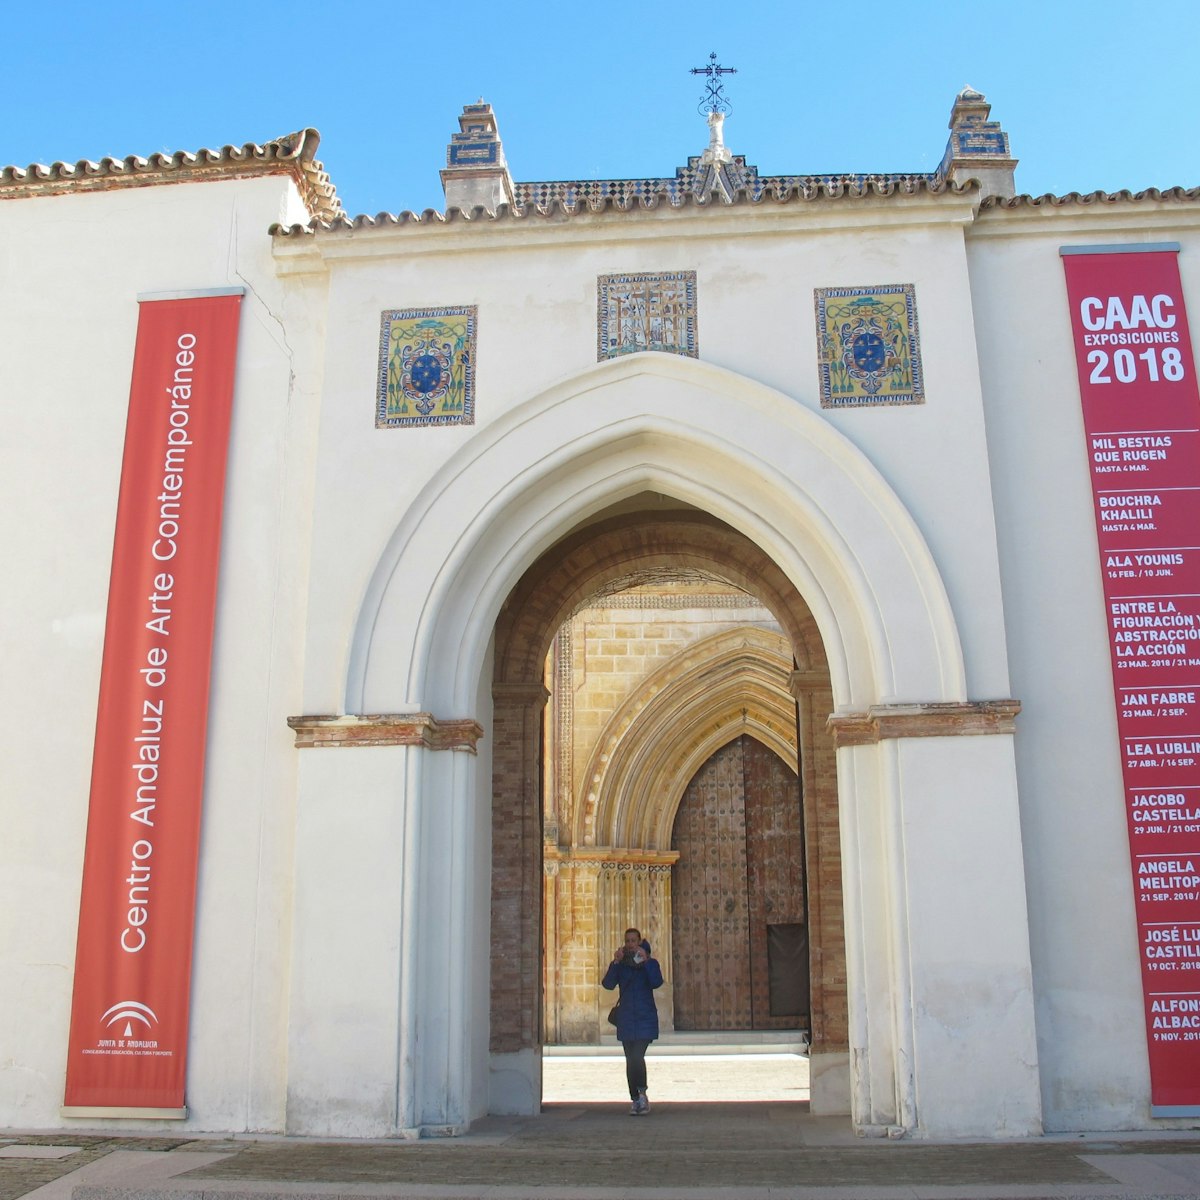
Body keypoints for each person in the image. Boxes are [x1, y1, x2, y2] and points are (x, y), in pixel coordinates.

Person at [601, 927, 663, 1115]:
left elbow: (656, 982)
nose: (630, 944)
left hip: (644, 1017)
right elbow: (608, 985)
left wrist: (647, 961)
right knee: (630, 1060)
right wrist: (615, 962)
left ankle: (642, 1094)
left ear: (639, 941)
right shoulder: (622, 965)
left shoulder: (649, 963)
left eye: (633, 940)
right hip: (626, 1018)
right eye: (627, 940)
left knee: (637, 1056)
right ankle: (634, 1098)